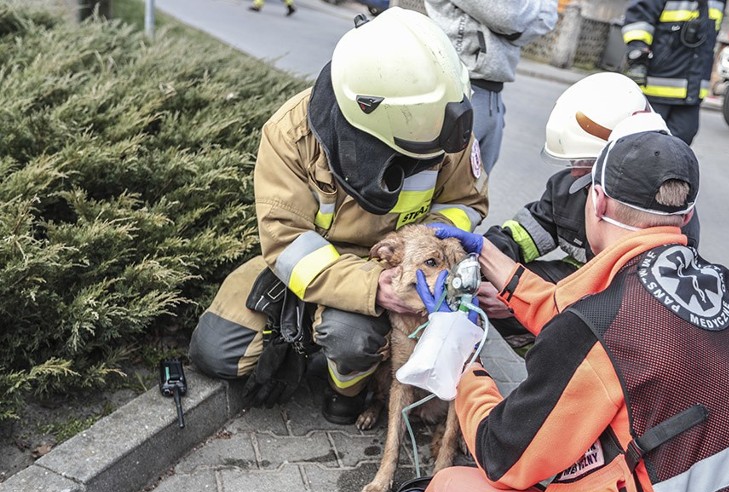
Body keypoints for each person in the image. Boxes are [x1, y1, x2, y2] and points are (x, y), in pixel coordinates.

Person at [412, 131, 729, 492]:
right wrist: (496, 262)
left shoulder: (600, 328)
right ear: (684, 217)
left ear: (598, 202)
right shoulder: (724, 286)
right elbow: (596, 320)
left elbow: (502, 454)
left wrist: (456, 346)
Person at [188, 7, 488, 425]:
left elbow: (466, 204)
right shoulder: (291, 134)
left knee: (351, 339)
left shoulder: (437, 119)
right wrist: (369, 286)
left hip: (396, 266)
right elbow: (288, 242)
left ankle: (346, 392)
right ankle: (302, 337)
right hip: (309, 265)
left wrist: (416, 261)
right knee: (216, 352)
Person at [479, 72, 699, 344]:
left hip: (617, 328)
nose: (574, 173)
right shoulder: (568, 189)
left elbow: (629, 306)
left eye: (582, 161)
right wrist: (475, 259)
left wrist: (524, 300)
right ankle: (546, 366)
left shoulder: (666, 214)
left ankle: (564, 376)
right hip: (575, 293)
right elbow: (522, 234)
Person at [424, 0, 558, 175]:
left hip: (492, 95)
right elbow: (507, 15)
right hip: (461, 91)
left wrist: (515, 27)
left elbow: (548, 17)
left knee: (475, 192)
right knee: (450, 185)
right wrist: (518, 26)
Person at [621, 0, 726, 145]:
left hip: (691, 93)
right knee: (644, 143)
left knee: (681, 141)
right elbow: (639, 17)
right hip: (655, 88)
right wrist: (638, 49)